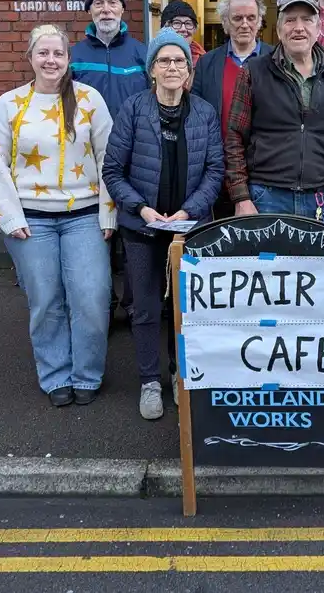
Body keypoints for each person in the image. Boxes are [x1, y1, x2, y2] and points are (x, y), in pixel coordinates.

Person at [0, 24, 115, 408]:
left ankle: (87, 374)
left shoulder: (90, 99)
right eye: (42, 53)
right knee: (45, 300)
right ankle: (55, 373)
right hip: (31, 220)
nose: (51, 60)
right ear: (29, 58)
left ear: (68, 58)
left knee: (91, 297)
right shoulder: (10, 104)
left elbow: (109, 159)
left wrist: (109, 215)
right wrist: (10, 217)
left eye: (58, 53)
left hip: (84, 215)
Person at [103, 28, 224, 421]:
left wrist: (190, 211)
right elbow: (113, 170)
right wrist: (140, 209)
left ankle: (180, 373)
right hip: (142, 229)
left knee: (185, 308)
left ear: (189, 71)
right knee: (146, 308)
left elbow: (214, 170)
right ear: (152, 69)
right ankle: (150, 380)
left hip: (189, 229)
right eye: (164, 61)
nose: (173, 67)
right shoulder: (134, 110)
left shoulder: (204, 112)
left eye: (180, 62)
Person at [225, 0, 324, 229]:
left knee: (320, 268)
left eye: (307, 20)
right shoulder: (253, 72)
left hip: (323, 200)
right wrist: (241, 197)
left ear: (318, 29)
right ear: (278, 30)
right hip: (266, 199)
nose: (299, 27)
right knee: (266, 267)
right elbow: (234, 138)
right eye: (290, 20)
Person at [70, 0, 147, 322]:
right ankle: (102, 304)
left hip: (135, 156)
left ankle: (133, 304)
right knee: (97, 237)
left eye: (112, 2)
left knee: (133, 235)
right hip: (86, 160)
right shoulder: (73, 56)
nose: (106, 9)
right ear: (89, 10)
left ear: (122, 8)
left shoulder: (141, 52)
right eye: (98, 3)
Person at [192, 0, 274, 217]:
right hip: (217, 169)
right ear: (226, 23)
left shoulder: (276, 60)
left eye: (251, 17)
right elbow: (196, 116)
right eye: (237, 18)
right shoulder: (208, 64)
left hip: (264, 170)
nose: (244, 24)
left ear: (260, 21)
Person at [161, 0, 206, 69]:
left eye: (188, 23)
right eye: (177, 23)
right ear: (165, 27)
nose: (183, 29)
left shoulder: (205, 60)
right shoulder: (154, 58)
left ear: (195, 28)